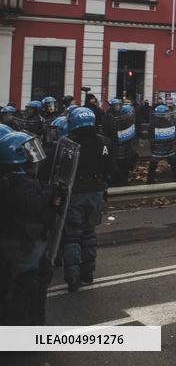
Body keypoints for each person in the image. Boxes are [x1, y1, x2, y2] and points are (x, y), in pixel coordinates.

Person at [0, 130, 61, 324]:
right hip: (20, 243)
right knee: (25, 287)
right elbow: (33, 204)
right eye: (29, 154)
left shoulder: (16, 179)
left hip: (21, 241)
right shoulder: (15, 183)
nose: (34, 160)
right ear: (18, 159)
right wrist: (52, 192)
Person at [61, 107, 114, 292]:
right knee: (89, 233)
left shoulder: (68, 144)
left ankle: (73, 277)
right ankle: (88, 272)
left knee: (72, 236)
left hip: (75, 193)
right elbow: (111, 168)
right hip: (97, 193)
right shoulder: (105, 142)